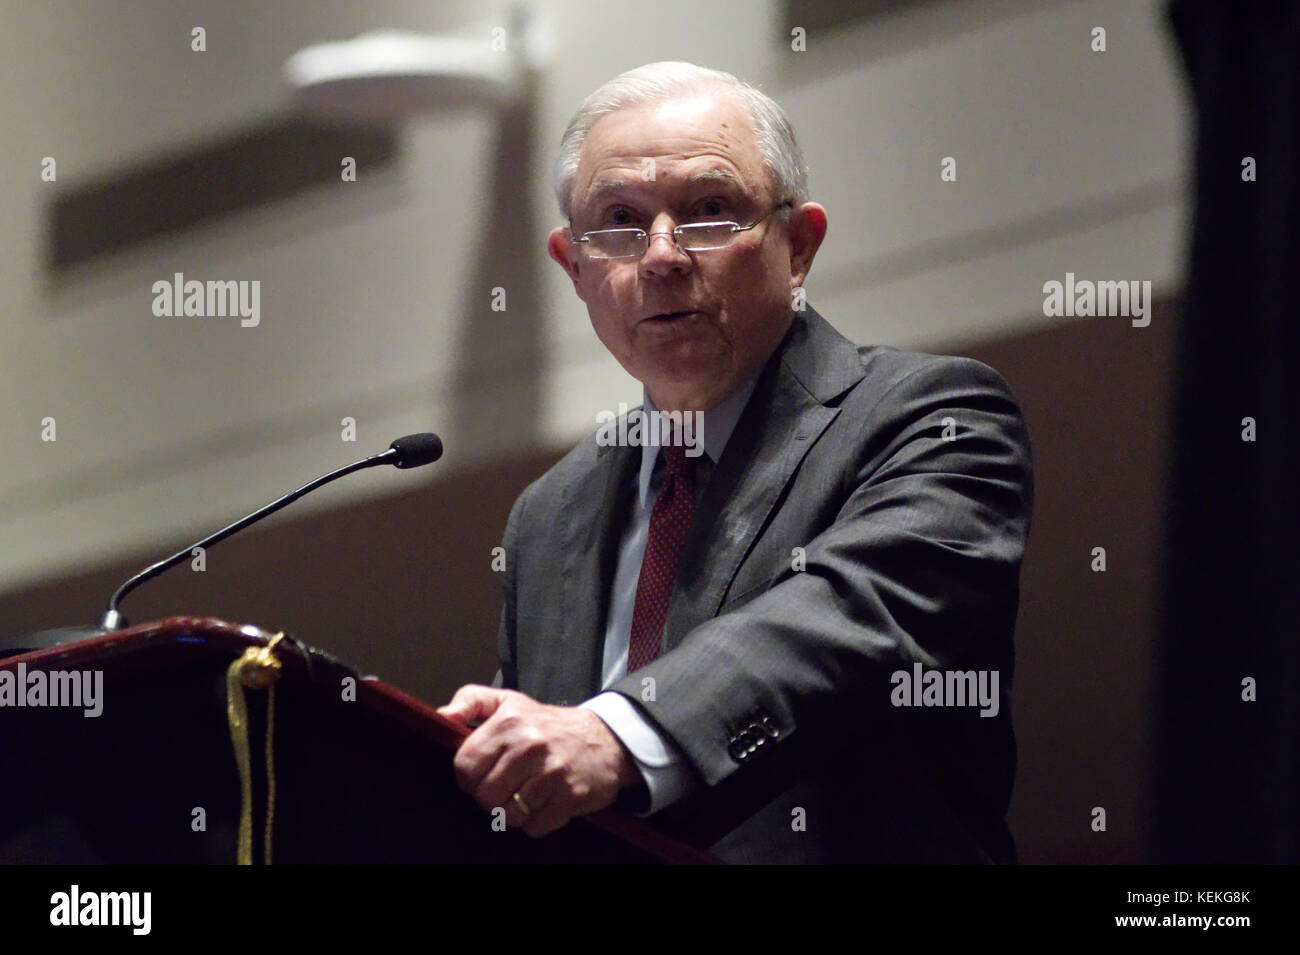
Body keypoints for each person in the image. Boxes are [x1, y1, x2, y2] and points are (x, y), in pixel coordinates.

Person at [437, 61, 1033, 863]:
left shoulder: (936, 419)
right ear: (574, 267)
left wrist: (613, 734)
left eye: (710, 211)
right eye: (617, 220)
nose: (660, 256)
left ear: (799, 245)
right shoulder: (549, 515)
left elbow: (846, 620)